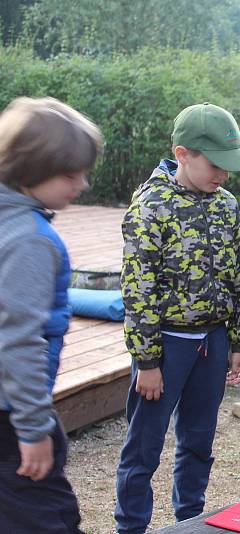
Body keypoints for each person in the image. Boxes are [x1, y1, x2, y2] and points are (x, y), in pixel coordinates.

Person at [115, 103, 240, 534]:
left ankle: (190, 521)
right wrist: (148, 362)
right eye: (216, 165)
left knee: (198, 442)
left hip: (212, 343)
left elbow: (239, 275)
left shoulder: (226, 204)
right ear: (182, 153)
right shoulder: (150, 207)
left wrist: (237, 343)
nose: (224, 176)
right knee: (144, 448)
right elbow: (137, 290)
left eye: (229, 167)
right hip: (167, 348)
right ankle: (131, 528)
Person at [0, 96, 101, 534]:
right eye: (70, 173)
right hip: (12, 414)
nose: (82, 184)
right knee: (49, 519)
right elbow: (18, 339)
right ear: (31, 170)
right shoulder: (30, 240)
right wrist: (33, 428)